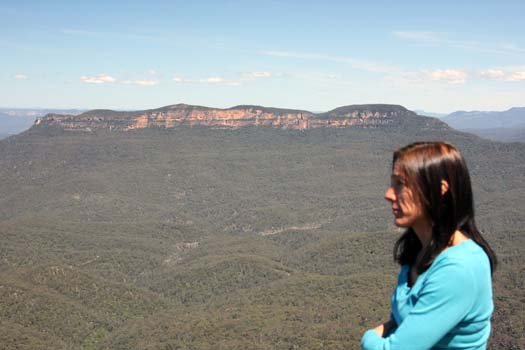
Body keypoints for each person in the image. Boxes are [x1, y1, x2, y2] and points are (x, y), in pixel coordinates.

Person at [361, 141, 497, 350]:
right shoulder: (419, 249)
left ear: (439, 189)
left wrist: (369, 336)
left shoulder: (459, 268)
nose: (388, 194)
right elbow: (402, 321)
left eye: (400, 184)